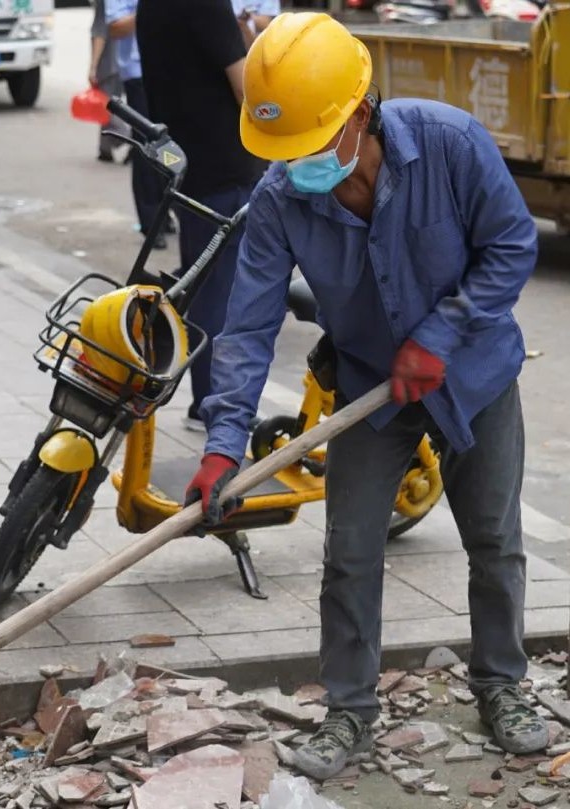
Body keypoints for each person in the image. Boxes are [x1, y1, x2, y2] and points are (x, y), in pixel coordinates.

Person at [185, 12, 548, 780]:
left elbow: (512, 245)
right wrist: (221, 447)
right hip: (368, 389)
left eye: (308, 144)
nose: (292, 165)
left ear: (358, 113)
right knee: (349, 552)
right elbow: (246, 327)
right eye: (281, 152)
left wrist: (440, 336)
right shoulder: (282, 195)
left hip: (474, 372)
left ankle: (502, 686)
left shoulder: (449, 144)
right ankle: (347, 709)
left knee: (492, 539)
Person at [136, 0, 266, 431]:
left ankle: (204, 398)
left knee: (203, 283)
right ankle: (214, 404)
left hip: (185, 162)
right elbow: (245, 85)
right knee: (223, 294)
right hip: (225, 165)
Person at [105, 0, 168, 249]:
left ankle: (168, 210)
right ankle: (151, 223)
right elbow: (115, 27)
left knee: (173, 145)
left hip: (173, 70)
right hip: (139, 73)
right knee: (146, 146)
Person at [89, 0, 127, 163]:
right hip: (127, 60)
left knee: (107, 104)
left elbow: (100, 33)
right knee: (112, 103)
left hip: (109, 62)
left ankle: (124, 136)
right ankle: (105, 148)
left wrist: (93, 66)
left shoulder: (104, 3)